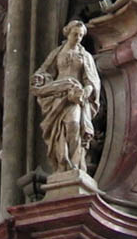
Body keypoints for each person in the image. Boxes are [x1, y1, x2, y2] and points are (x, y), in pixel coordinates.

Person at [30, 20, 101, 173]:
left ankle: (74, 164)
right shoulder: (57, 53)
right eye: (75, 34)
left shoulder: (85, 56)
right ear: (68, 33)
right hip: (58, 95)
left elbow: (92, 80)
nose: (78, 38)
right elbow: (45, 71)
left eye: (81, 35)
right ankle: (62, 164)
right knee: (58, 131)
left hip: (74, 96)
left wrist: (86, 91)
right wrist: (40, 79)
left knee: (74, 125)